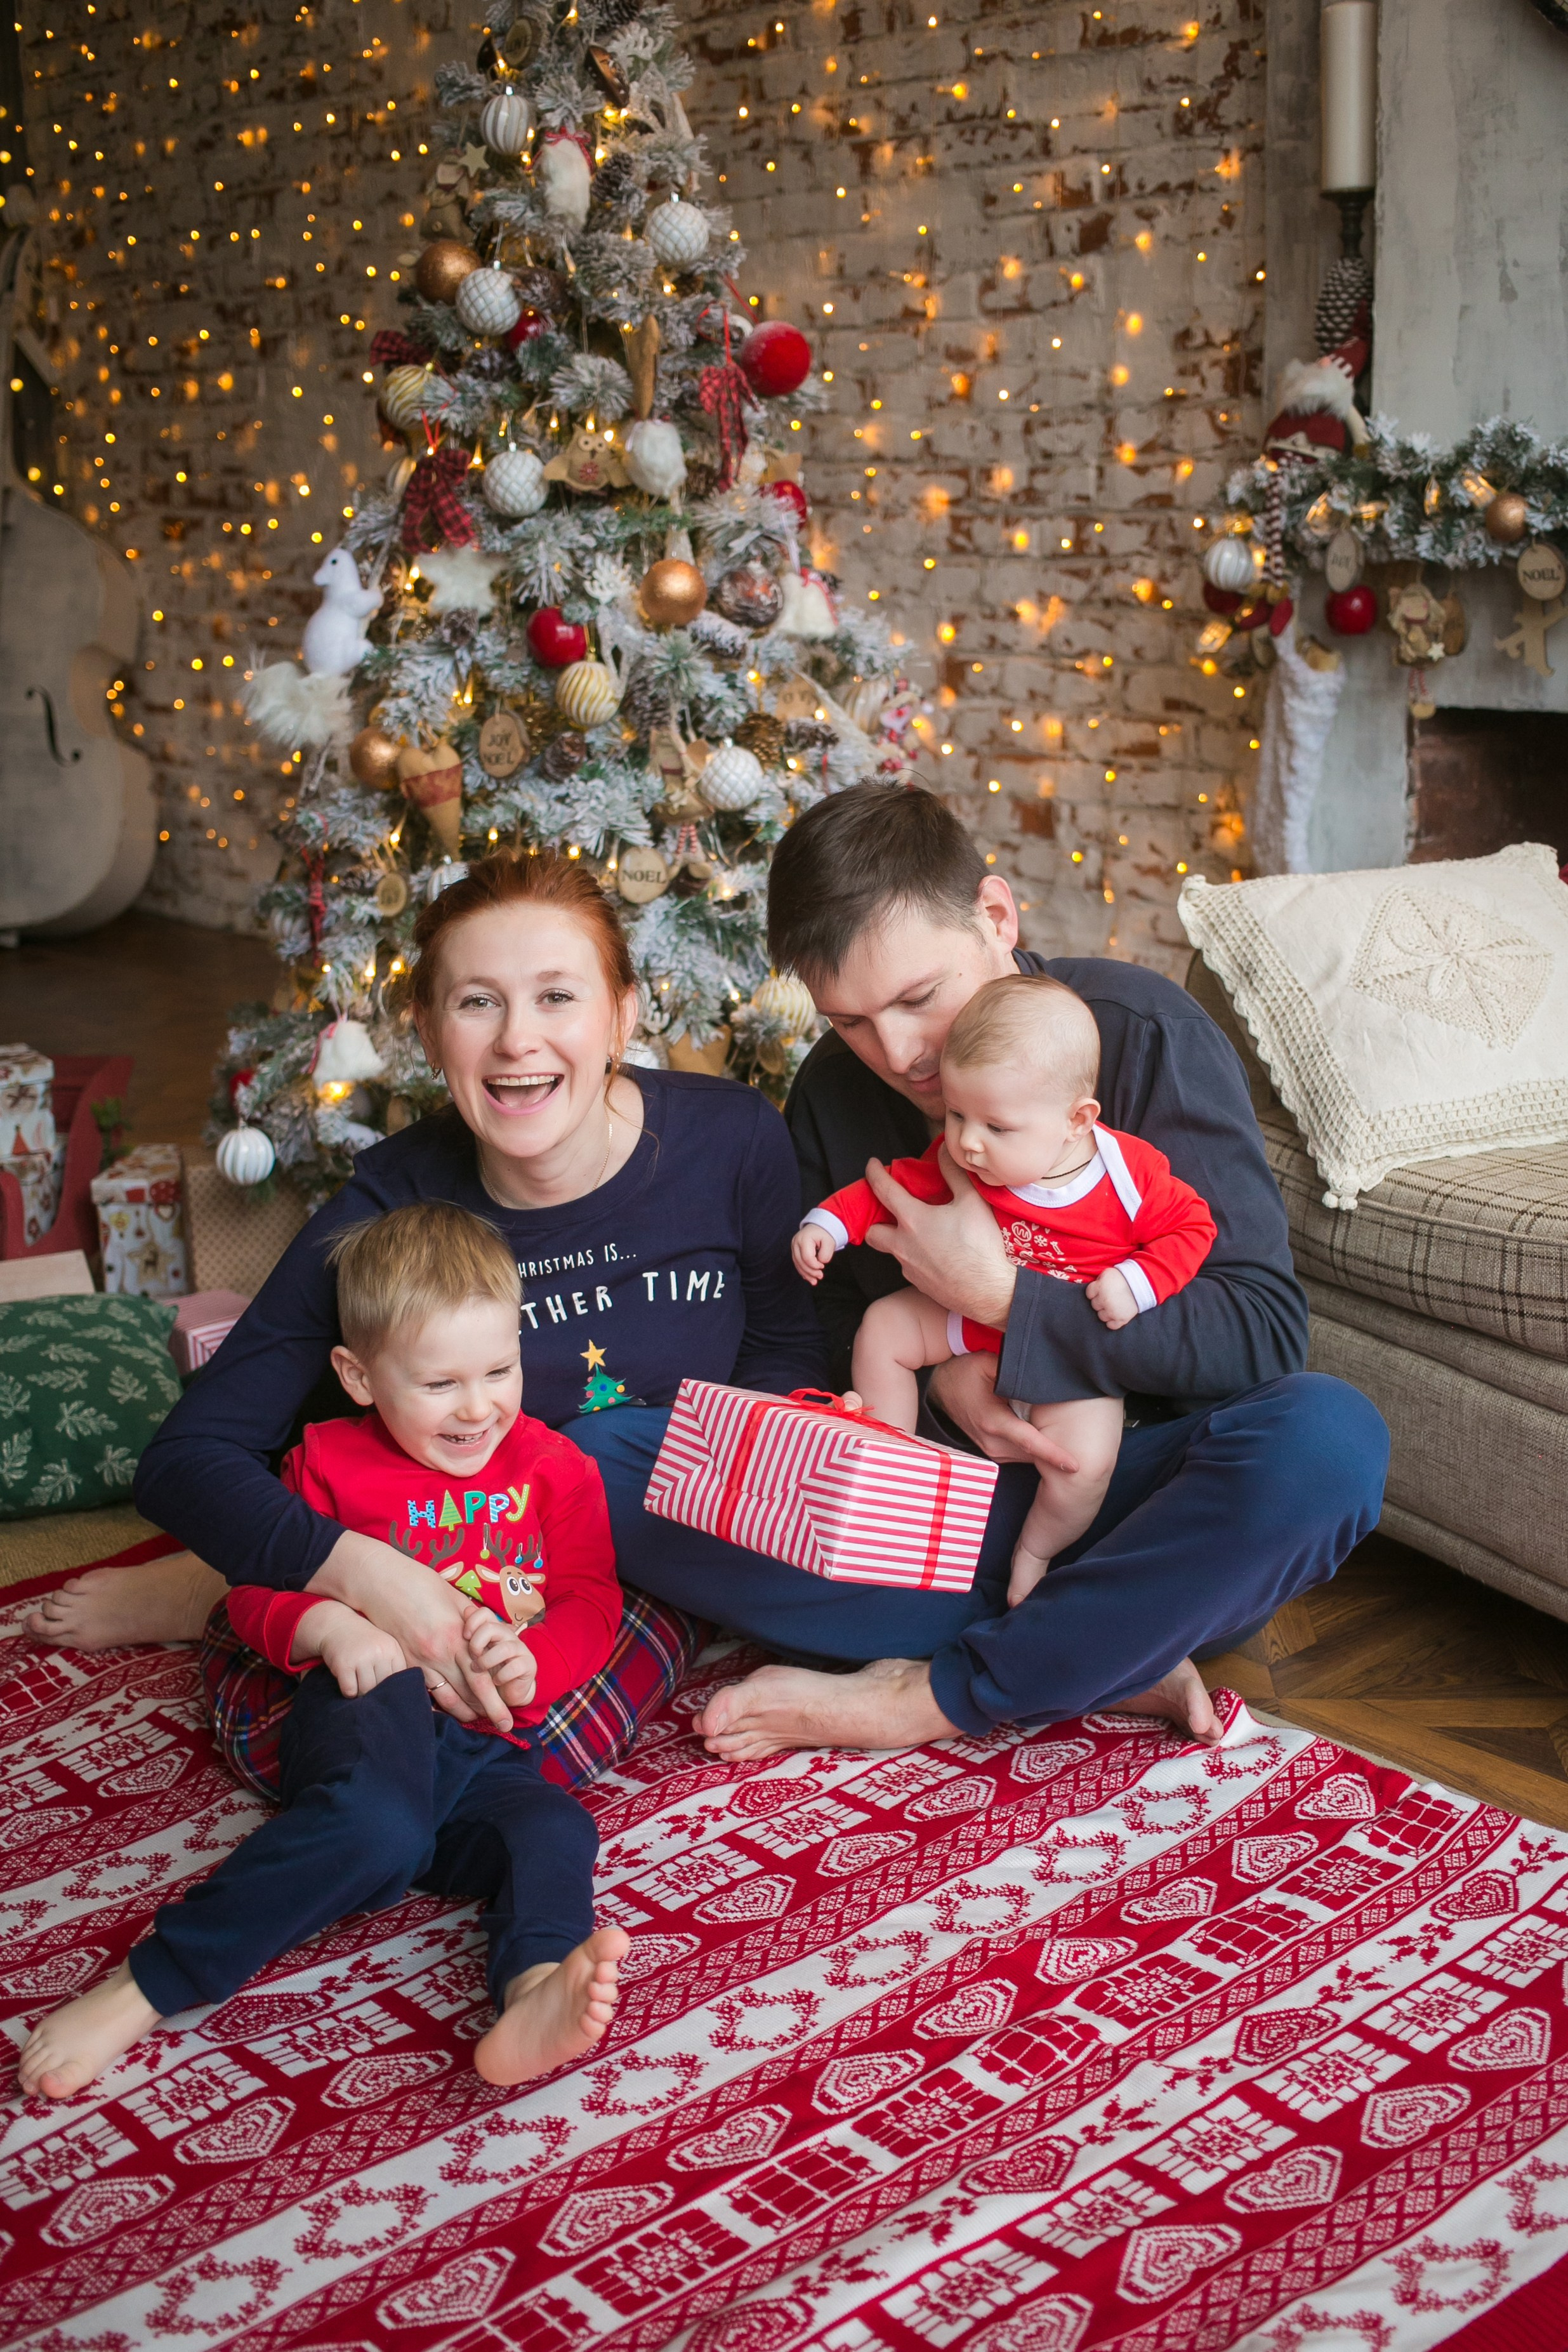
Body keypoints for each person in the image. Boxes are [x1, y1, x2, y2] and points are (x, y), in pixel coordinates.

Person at [691, 784, 1389, 1759]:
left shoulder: (1136, 1033)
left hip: (1139, 1504)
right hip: (949, 1509)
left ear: (994, 914)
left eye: (916, 997)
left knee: (1330, 1443)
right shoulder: (831, 1091)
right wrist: (943, 1376)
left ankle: (937, 1694)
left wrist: (1008, 1304)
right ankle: (1103, 1648)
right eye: (849, 1020)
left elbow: (1260, 1331)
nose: (897, 1054)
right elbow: (837, 1344)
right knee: (634, 1463)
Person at [20, 1201, 627, 2101]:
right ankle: (147, 1985)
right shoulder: (327, 1463)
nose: (477, 1407)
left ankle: (532, 1986)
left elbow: (590, 1596)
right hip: (370, 1711)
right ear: (356, 1374)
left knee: (551, 1827)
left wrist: (534, 1657)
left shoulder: (555, 1467)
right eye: (437, 1384)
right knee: (376, 1825)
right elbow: (256, 1591)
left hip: (488, 1744)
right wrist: (328, 1624)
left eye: (499, 1369)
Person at [795, 972, 1216, 1602]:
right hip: (962, 1324)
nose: (966, 1141)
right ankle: (890, 1468)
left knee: (1083, 1463)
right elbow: (893, 1190)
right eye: (958, 1114)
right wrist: (828, 1223)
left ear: (1076, 1121)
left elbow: (1192, 1226)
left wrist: (1137, 1281)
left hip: (1061, 1350)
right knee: (882, 1325)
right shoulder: (961, 1156)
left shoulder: (1127, 1177)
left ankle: (1035, 1551)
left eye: (996, 1126)